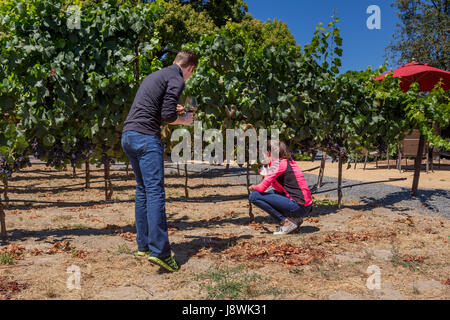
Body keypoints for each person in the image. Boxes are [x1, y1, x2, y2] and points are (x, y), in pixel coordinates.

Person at [121, 50, 198, 272]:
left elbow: (157, 109)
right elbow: (166, 116)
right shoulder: (176, 78)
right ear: (190, 68)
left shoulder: (156, 75)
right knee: (155, 192)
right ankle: (161, 253)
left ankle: (143, 245)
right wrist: (184, 120)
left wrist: (173, 111)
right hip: (146, 138)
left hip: (129, 136)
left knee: (143, 190)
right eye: (191, 73)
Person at [249, 141, 313, 235]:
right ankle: (296, 219)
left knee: (254, 196)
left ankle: (286, 222)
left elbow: (261, 188)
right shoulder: (287, 161)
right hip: (305, 206)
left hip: (298, 206)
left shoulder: (277, 165)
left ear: (269, 153)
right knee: (272, 192)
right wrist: (266, 175)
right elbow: (280, 189)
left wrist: (253, 187)